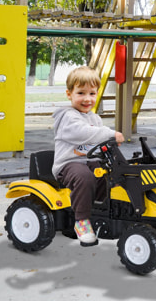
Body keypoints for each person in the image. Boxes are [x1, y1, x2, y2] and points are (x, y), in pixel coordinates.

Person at [52, 66, 125, 246]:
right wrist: (110, 134)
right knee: (85, 177)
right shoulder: (68, 117)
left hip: (89, 161)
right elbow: (83, 133)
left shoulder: (94, 118)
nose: (87, 99)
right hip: (68, 164)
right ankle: (82, 221)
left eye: (92, 93)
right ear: (69, 94)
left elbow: (96, 142)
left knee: (109, 173)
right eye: (81, 93)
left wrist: (111, 146)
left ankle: (105, 210)